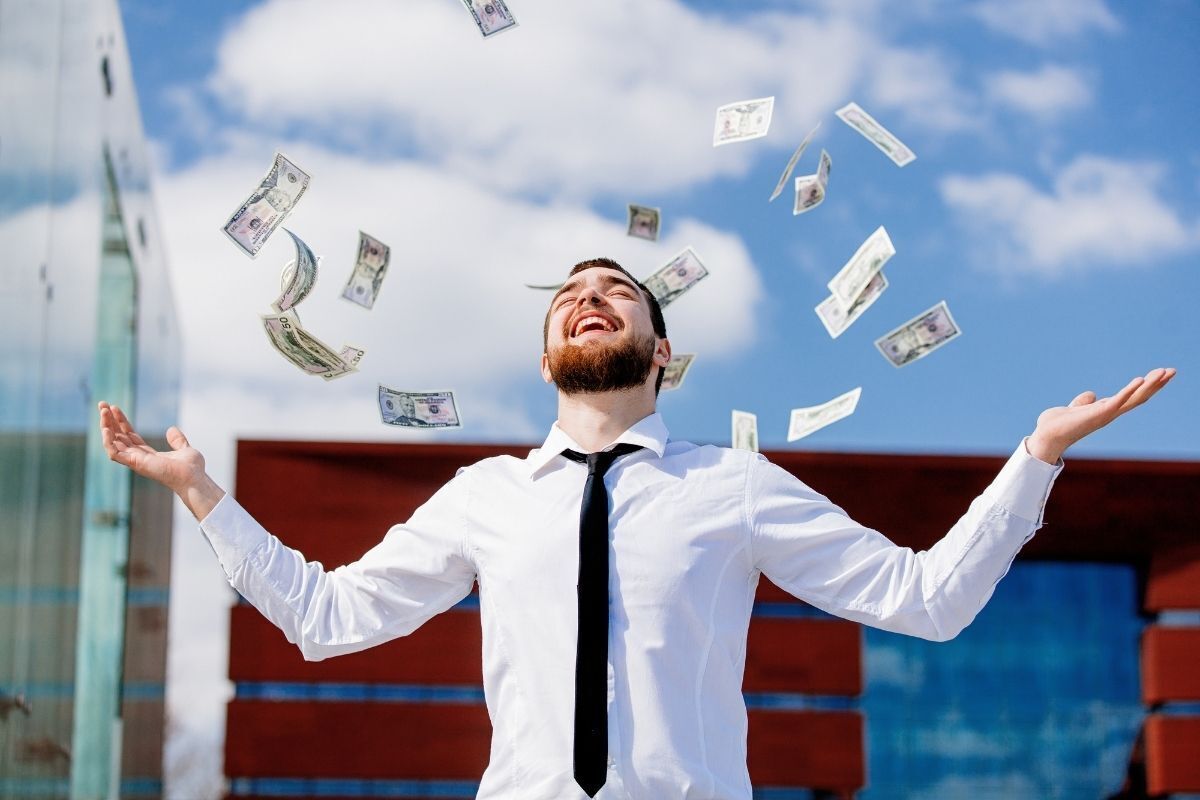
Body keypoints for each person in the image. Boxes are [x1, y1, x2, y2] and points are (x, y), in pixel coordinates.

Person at [99, 257, 1174, 800]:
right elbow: (325, 617)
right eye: (569, 295)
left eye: (617, 291)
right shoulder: (486, 493)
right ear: (546, 354)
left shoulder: (737, 484)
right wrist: (200, 490)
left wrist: (1037, 456)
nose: (589, 297)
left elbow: (926, 600)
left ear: (664, 353)